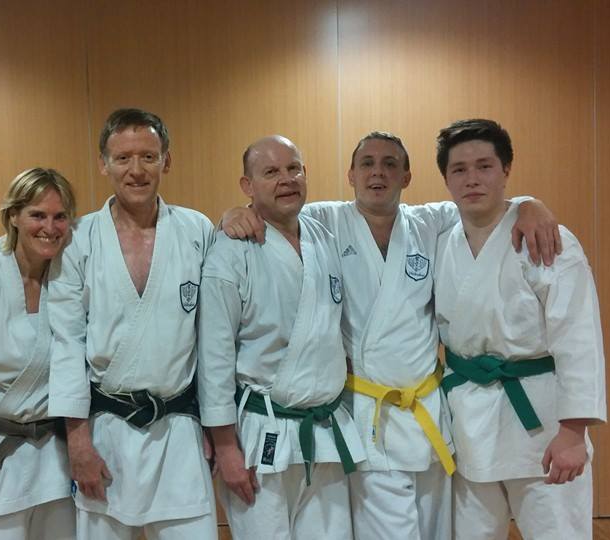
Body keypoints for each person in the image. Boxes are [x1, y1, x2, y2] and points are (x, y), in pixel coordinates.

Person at [222, 132, 561, 539]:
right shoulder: (323, 221)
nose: (377, 173)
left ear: (407, 176)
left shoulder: (431, 222)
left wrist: (528, 204)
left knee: (438, 531)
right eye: (367, 163)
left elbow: (485, 204)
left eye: (390, 164)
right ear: (351, 175)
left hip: (428, 414)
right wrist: (234, 214)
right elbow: (272, 209)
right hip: (369, 416)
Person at [47, 108, 218, 539]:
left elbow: (214, 339)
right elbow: (66, 343)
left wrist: (217, 426)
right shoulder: (78, 239)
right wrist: (77, 442)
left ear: (167, 161)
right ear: (103, 164)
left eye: (148, 157)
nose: (136, 170)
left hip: (179, 429)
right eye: (122, 158)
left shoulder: (197, 230)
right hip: (106, 429)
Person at [433, 119, 606, 539]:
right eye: (459, 169)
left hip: (541, 425)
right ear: (446, 179)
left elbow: (579, 338)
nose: (472, 179)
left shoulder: (546, 238)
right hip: (467, 422)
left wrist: (573, 432)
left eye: (484, 166)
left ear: (506, 170)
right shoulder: (440, 241)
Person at [199, 135, 366, 540]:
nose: (286, 179)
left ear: (305, 174)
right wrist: (226, 448)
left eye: (293, 168)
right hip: (261, 434)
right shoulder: (230, 252)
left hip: (324, 430)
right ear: (247, 186)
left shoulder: (324, 237)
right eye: (271, 172)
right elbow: (214, 358)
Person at [0, 168, 78, 539]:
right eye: (37, 215)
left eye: (59, 216)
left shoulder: (71, 275)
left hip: (56, 455)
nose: (49, 227)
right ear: (14, 216)